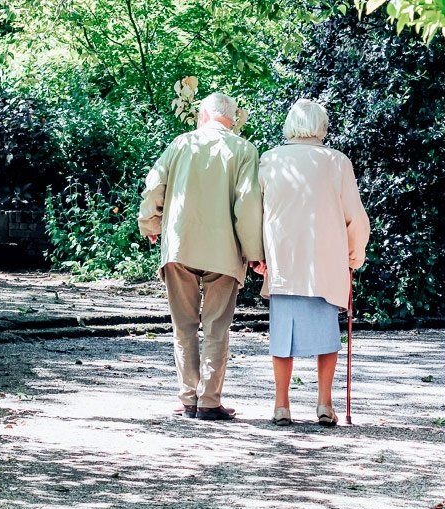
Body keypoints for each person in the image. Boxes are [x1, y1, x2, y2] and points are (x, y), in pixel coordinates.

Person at [138, 92, 266, 421]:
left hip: (180, 246)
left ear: (203, 114)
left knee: (183, 326)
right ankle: (209, 401)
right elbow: (248, 205)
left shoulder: (180, 144)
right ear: (233, 119)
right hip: (224, 251)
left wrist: (150, 222)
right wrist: (255, 253)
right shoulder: (244, 150)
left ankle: (187, 399)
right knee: (216, 327)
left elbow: (154, 188)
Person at [259, 99, 370, 427]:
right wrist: (355, 254)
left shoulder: (270, 160)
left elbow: (255, 211)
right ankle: (324, 403)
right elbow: (355, 216)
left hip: (284, 261)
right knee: (326, 334)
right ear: (321, 127)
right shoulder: (337, 162)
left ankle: (281, 405)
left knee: (282, 336)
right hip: (325, 261)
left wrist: (257, 255)